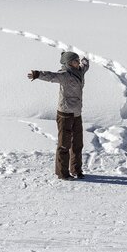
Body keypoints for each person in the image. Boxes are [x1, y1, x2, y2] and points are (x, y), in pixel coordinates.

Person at [28, 51, 90, 181]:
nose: (78, 63)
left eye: (78, 60)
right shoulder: (65, 75)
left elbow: (85, 65)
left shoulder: (80, 71)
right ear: (68, 63)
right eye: (75, 61)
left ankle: (76, 170)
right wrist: (38, 74)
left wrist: (86, 58)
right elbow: (51, 76)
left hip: (77, 114)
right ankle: (62, 173)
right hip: (65, 114)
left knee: (78, 144)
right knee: (64, 145)